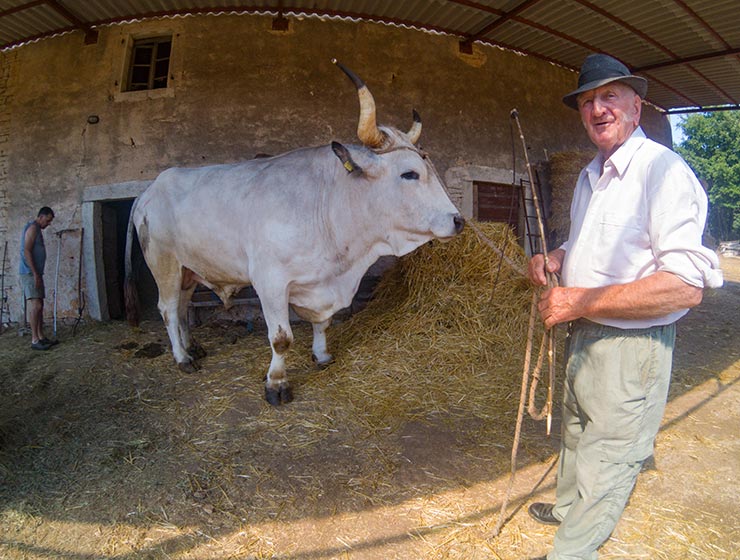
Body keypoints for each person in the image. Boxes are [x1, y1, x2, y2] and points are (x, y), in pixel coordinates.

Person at [526, 54, 723, 560]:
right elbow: (592, 243)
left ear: (637, 107)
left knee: (610, 452)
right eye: (588, 100)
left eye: (609, 96)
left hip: (632, 346)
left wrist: (578, 298)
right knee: (575, 429)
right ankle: (569, 509)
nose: (597, 108)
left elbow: (684, 286)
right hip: (583, 331)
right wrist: (556, 259)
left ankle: (572, 550)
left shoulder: (662, 172)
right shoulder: (591, 175)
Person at [20, 206, 57, 350]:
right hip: (29, 273)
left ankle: (41, 337)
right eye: (47, 220)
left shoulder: (37, 229)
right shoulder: (33, 228)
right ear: (41, 217)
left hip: (36, 273)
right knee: (36, 306)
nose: (48, 224)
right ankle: (35, 340)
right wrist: (35, 274)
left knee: (40, 305)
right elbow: (27, 250)